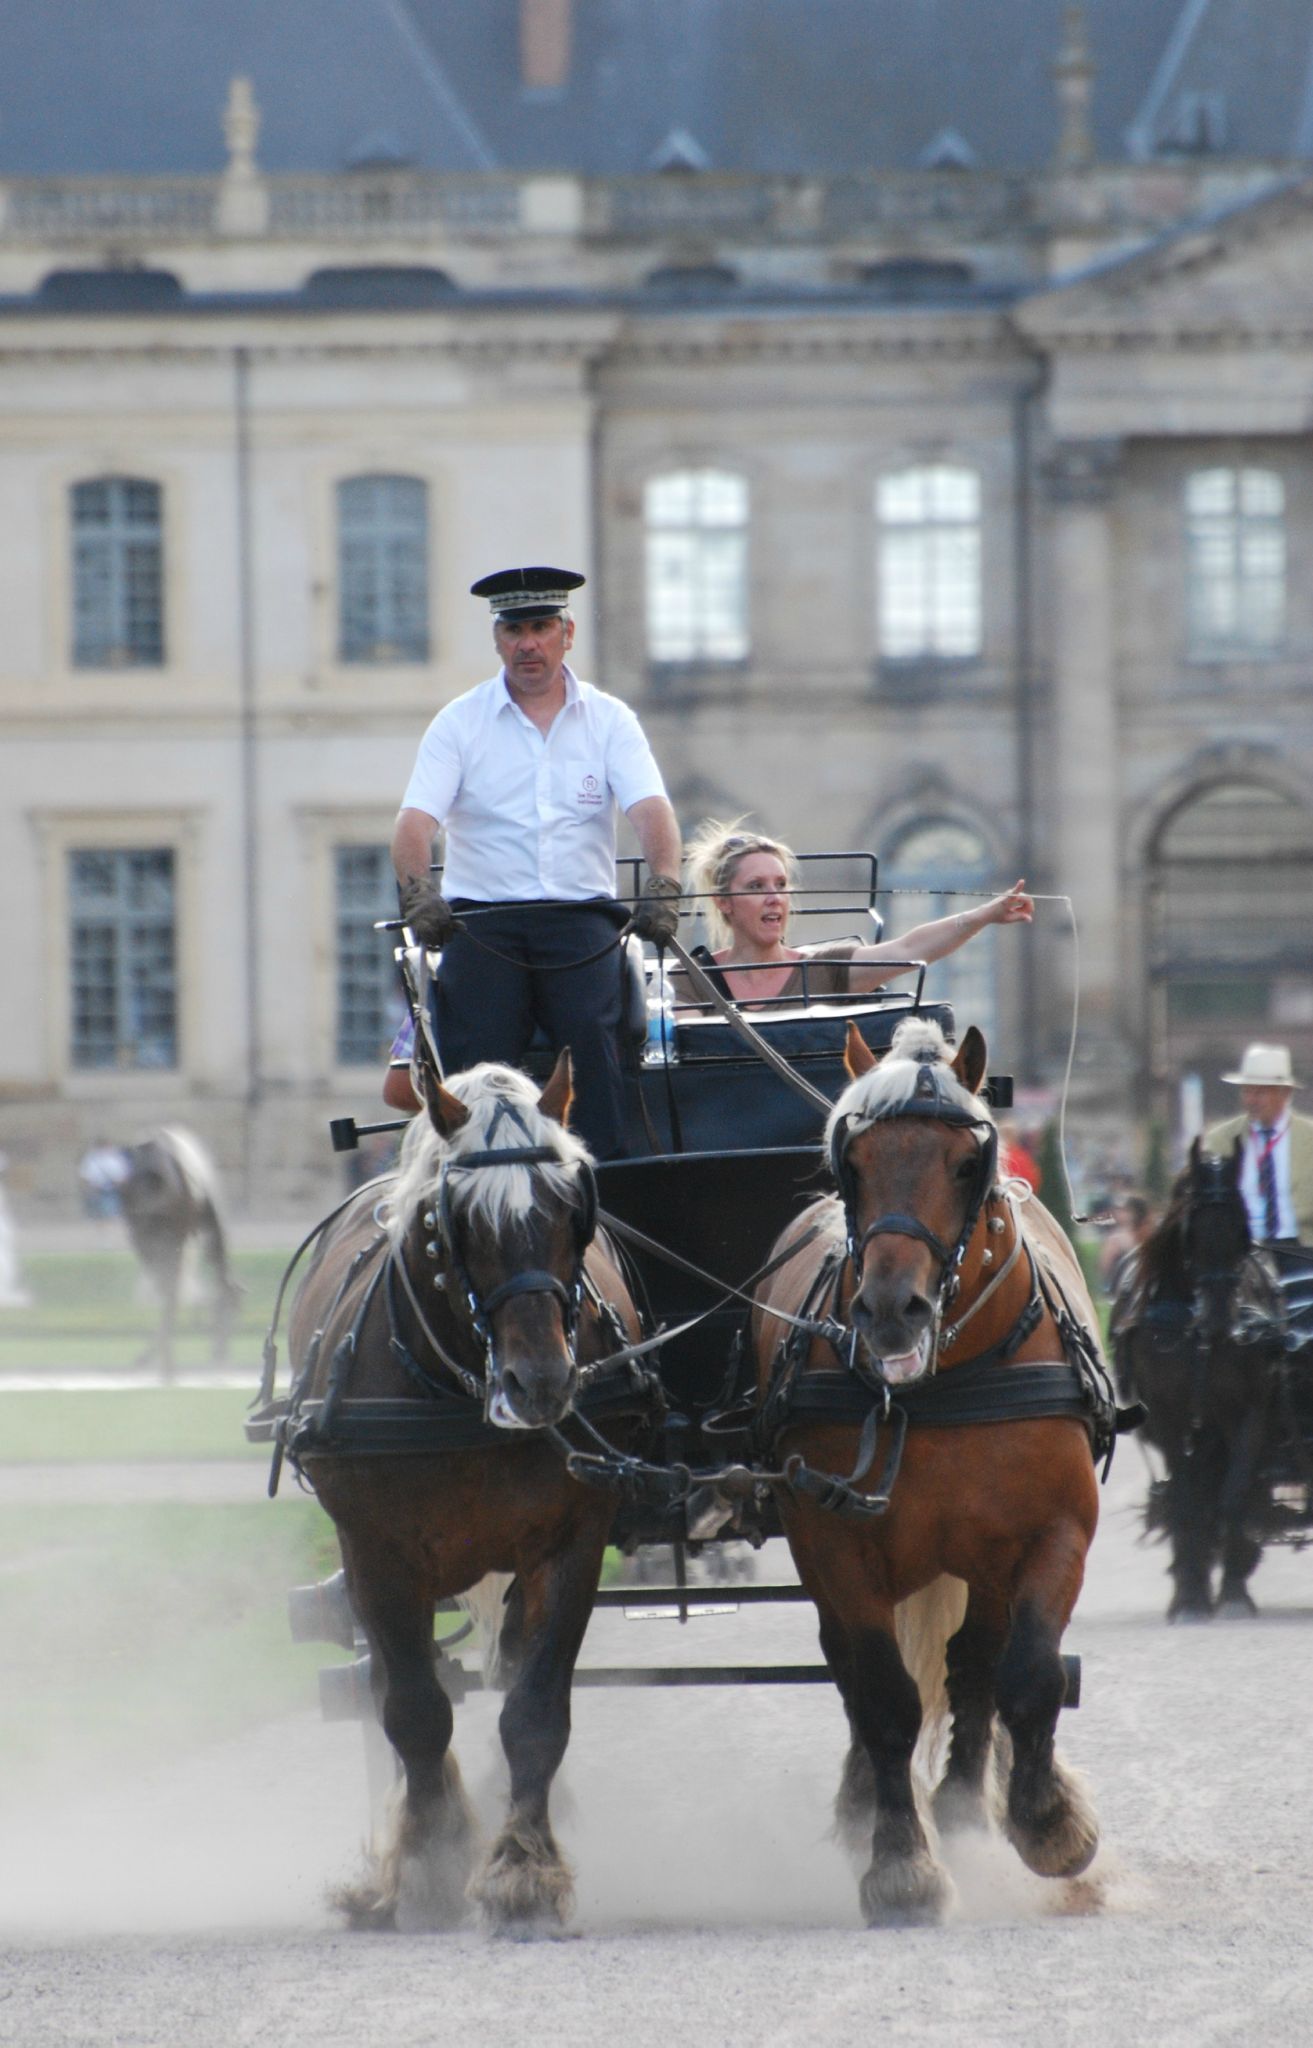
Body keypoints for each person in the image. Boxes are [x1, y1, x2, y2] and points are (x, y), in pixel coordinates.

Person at [391, 565, 681, 1160]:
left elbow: (652, 811)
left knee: (596, 1048)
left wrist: (663, 886)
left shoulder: (609, 720)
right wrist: (420, 893)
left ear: (567, 634)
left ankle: (604, 1189)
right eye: (515, 629)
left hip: (580, 921)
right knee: (475, 1061)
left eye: (542, 627)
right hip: (480, 924)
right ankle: (470, 1177)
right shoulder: (459, 722)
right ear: (497, 640)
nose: (529, 643)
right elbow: (414, 823)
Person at [672, 820, 1033, 1008]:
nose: (774, 898)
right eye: (755, 887)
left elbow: (907, 950)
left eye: (781, 885)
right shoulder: (691, 980)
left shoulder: (825, 969)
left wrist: (986, 914)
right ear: (723, 901)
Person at [1204, 1043, 1313, 1250]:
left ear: (1285, 1094)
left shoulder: (1310, 1137)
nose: (1251, 1100)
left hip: (1302, 1249)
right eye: (1246, 1091)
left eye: (1260, 1092)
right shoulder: (1221, 1140)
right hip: (1242, 1250)